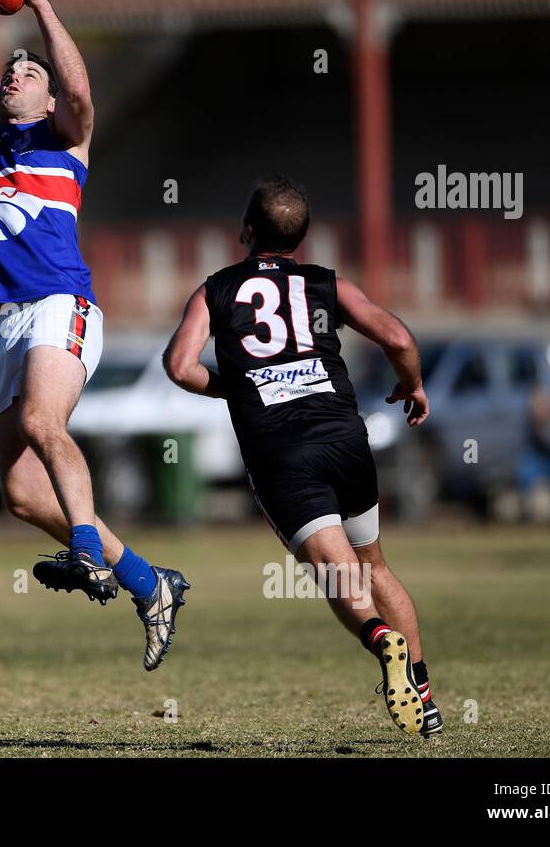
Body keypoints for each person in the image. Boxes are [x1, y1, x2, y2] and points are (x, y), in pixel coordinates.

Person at [0, 0, 188, 670]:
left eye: (29, 70)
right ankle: (149, 582)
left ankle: (85, 553)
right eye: (10, 69)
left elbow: (82, 95)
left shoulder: (66, 144)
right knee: (18, 492)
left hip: (61, 303)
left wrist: (38, 0)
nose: (17, 74)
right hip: (8, 324)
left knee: (43, 420)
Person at [163, 177, 442, 736]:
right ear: (302, 238)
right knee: (374, 565)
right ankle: (424, 694)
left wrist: (235, 387)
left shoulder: (216, 289)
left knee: (339, 577)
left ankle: (380, 640)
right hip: (344, 436)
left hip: (280, 449)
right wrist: (411, 384)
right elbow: (399, 339)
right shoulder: (326, 284)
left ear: (246, 231)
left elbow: (178, 365)